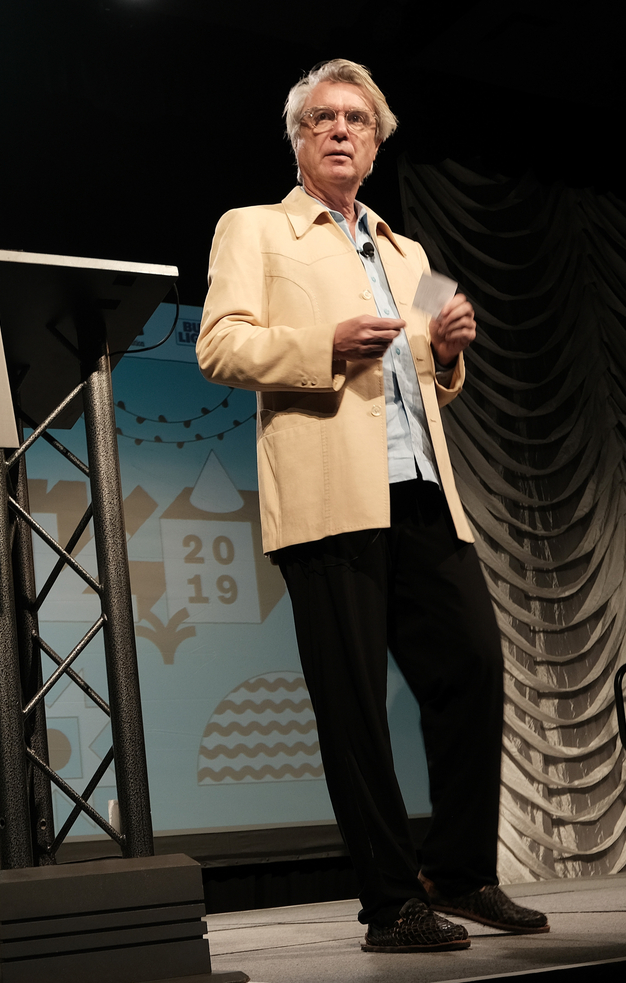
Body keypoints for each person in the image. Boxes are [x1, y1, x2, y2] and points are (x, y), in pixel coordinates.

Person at [196, 58, 549, 953]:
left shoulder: (410, 253)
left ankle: (460, 871)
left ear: (379, 139)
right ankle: (391, 903)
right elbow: (221, 347)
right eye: (322, 117)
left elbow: (437, 362)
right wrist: (326, 342)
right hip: (328, 502)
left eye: (357, 117)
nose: (340, 129)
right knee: (353, 707)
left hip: (424, 489)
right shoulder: (255, 228)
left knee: (472, 665)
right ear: (300, 138)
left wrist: (455, 345)